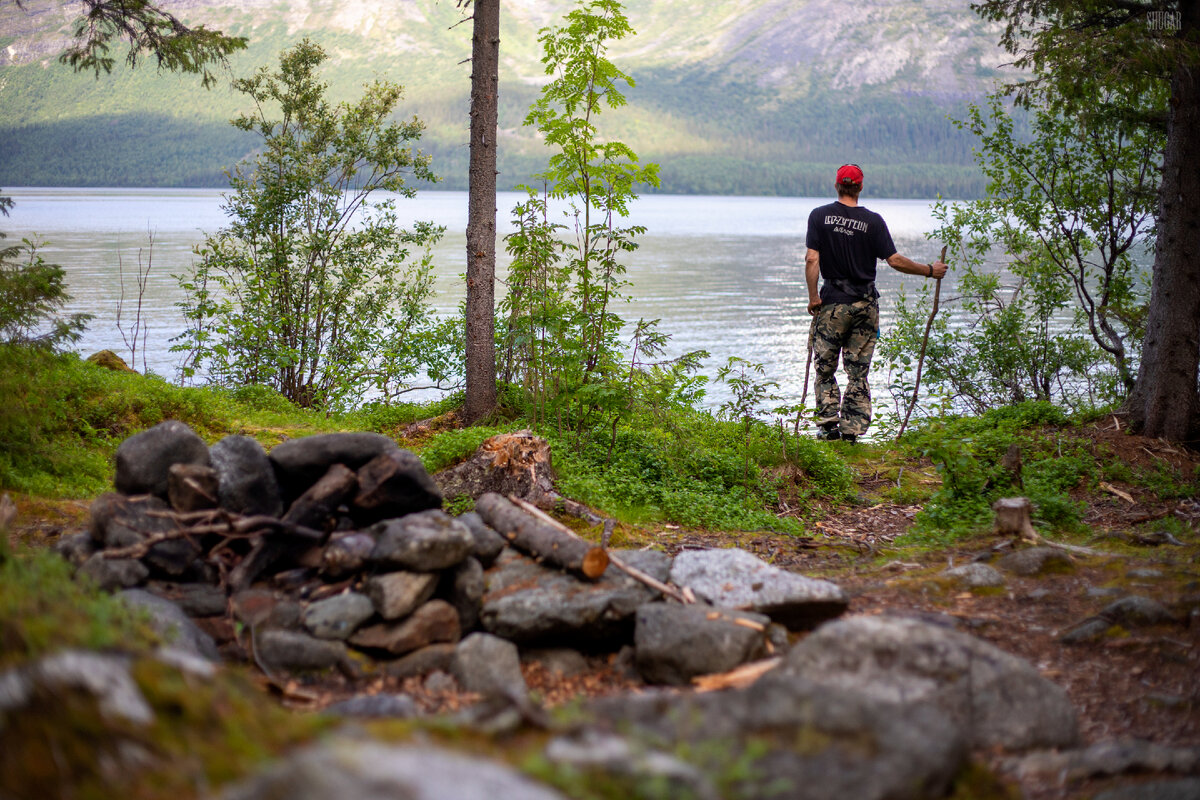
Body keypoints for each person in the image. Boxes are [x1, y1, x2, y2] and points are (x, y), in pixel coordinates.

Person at [804, 164, 947, 442]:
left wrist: (813, 297)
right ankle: (852, 432)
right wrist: (930, 270)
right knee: (858, 370)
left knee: (825, 367)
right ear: (860, 187)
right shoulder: (873, 221)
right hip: (866, 305)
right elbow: (894, 260)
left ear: (836, 186)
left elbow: (812, 259)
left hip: (833, 304)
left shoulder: (819, 216)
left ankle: (829, 426)